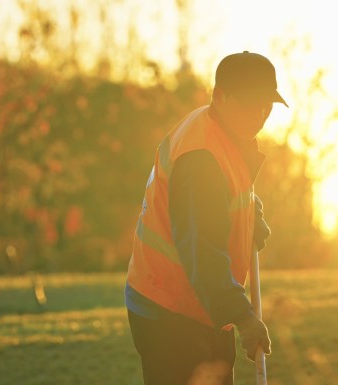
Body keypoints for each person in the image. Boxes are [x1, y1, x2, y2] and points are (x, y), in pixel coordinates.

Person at [125, 51, 288, 385]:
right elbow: (204, 253)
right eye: (251, 104)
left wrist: (249, 215)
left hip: (203, 305)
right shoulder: (200, 159)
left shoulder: (227, 129)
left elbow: (226, 196)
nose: (260, 115)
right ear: (221, 97)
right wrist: (245, 319)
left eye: (267, 105)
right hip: (168, 310)